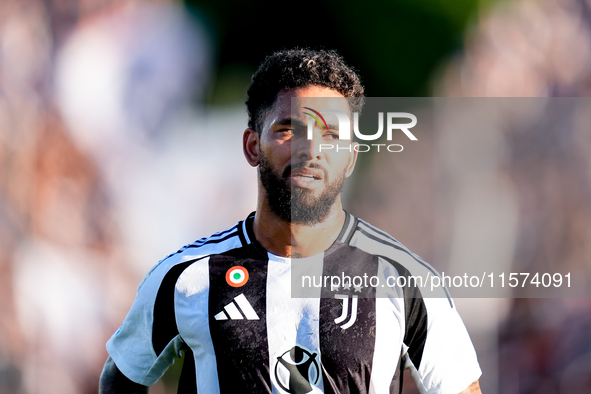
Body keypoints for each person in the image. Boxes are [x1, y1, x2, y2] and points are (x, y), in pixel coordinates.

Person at [99, 49, 482, 394]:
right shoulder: (187, 275)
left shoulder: (403, 278)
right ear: (252, 147)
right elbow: (123, 376)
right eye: (289, 130)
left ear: (349, 158)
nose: (311, 149)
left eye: (331, 135)